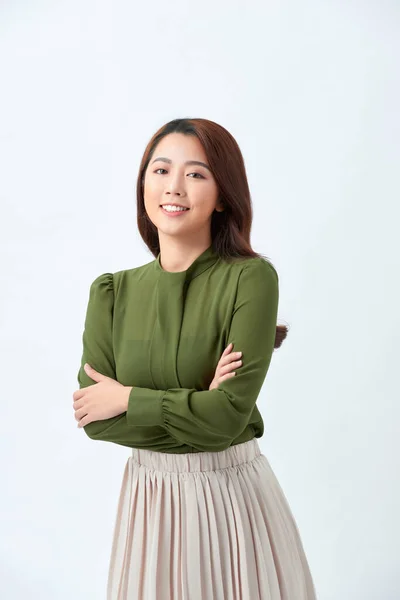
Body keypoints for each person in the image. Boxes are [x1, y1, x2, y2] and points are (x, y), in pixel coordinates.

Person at [73, 117, 317, 599]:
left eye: (197, 174)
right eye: (161, 170)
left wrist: (126, 398)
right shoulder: (111, 292)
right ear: (144, 183)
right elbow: (94, 418)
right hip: (149, 503)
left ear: (223, 194)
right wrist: (194, 404)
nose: (175, 187)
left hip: (230, 499)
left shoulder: (251, 279)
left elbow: (225, 421)